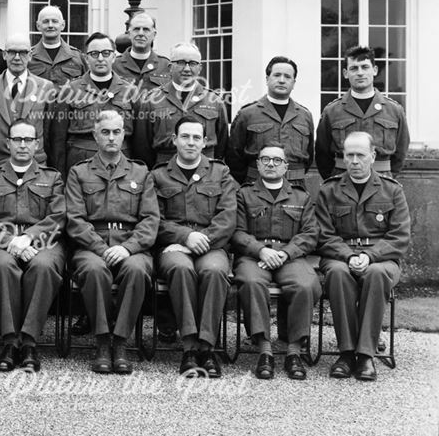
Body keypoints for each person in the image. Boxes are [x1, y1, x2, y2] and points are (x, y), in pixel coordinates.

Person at [65, 110, 158, 374]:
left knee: (137, 270)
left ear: (124, 135)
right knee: (95, 270)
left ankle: (121, 342)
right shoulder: (79, 172)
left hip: (131, 244)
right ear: (95, 136)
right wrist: (102, 249)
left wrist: (127, 248)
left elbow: (150, 220)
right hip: (91, 246)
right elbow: (75, 219)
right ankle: (102, 341)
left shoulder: (140, 172)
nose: (111, 137)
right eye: (105, 132)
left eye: (116, 132)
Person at [316, 131, 410, 382]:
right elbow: (324, 235)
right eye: (349, 155)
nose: (355, 161)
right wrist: (348, 256)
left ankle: (366, 355)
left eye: (360, 155)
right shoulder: (330, 190)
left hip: (381, 258)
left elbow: (399, 237)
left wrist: (370, 256)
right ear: (343, 158)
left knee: (377, 274)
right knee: (337, 273)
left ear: (373, 156)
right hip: (339, 255)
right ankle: (347, 353)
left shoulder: (391, 190)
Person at [149, 116, 237, 377]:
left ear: (205, 141)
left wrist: (200, 240)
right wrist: (185, 237)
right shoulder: (158, 175)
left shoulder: (221, 173)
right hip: (173, 247)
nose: (191, 142)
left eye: (196, 137)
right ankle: (189, 347)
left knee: (214, 272)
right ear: (174, 140)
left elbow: (227, 217)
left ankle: (206, 348)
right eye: (185, 137)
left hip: (212, 244)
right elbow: (154, 219)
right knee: (180, 269)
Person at [0, 119, 65, 373]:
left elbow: (58, 217)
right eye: (17, 140)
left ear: (37, 144)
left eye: (28, 140)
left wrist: (30, 237)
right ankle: (9, 341)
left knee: (44, 266)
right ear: (8, 143)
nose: (23, 145)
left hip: (42, 243)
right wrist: (12, 241)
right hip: (0, 243)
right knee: (3, 266)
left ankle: (29, 342)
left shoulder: (52, 177)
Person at [231, 144, 321, 380]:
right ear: (258, 164)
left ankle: (293, 351)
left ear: (286, 166)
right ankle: (264, 349)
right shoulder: (244, 194)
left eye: (277, 160)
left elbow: (310, 234)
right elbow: (237, 232)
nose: (271, 164)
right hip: (254, 256)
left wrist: (286, 253)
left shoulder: (301, 196)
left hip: (289, 257)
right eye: (266, 159)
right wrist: (261, 251)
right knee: (250, 282)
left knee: (305, 284)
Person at [314, 46, 410, 180]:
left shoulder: (394, 110)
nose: (360, 73)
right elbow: (322, 153)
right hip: (342, 181)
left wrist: (388, 179)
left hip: (382, 182)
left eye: (365, 67)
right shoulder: (332, 111)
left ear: (374, 70)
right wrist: (334, 182)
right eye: (354, 68)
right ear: (345, 73)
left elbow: (400, 152)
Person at [49, 33, 141, 173]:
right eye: (94, 54)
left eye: (106, 53)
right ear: (86, 58)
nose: (100, 59)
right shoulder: (70, 90)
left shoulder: (130, 91)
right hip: (81, 163)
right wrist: (60, 177)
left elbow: (139, 140)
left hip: (121, 163)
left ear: (114, 56)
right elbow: (58, 139)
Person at [135, 42, 229, 168]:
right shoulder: (152, 100)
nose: (187, 68)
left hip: (206, 171)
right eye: (180, 62)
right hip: (165, 171)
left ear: (200, 68)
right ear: (170, 67)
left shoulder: (214, 101)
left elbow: (222, 144)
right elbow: (142, 145)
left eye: (193, 63)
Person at [227, 56, 315, 186]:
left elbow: (309, 156)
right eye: (277, 75)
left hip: (295, 187)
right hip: (256, 186)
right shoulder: (248, 114)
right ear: (267, 79)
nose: (281, 80)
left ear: (294, 83)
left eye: (287, 76)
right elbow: (234, 156)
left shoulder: (304, 116)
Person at [0, 32, 54, 170]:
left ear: (30, 55)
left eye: (23, 52)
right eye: (12, 52)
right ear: (4, 55)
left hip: (35, 165)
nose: (17, 58)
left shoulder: (45, 87)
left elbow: (50, 132)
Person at [27, 5, 85, 87]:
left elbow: (87, 87)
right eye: (46, 21)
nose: (50, 25)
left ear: (63, 25)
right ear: (38, 26)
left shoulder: (77, 57)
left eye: (54, 21)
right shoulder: (28, 57)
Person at [111, 12, 171, 92]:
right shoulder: (114, 65)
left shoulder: (166, 66)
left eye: (146, 29)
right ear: (129, 34)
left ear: (154, 34)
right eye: (136, 29)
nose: (141, 33)